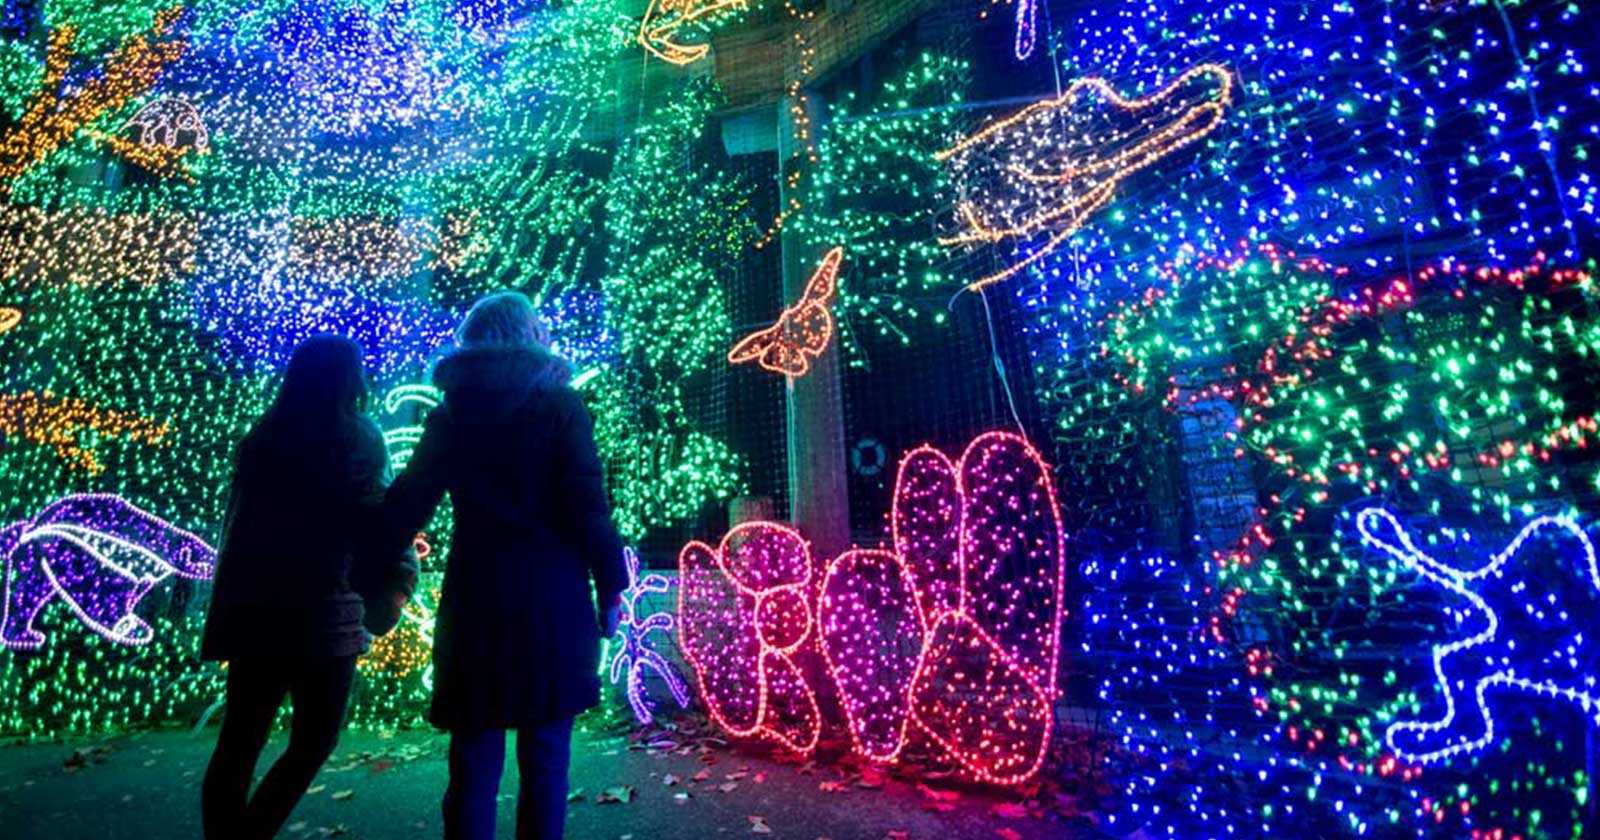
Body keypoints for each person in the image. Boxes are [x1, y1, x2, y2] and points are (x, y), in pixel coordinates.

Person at [385, 291, 626, 840]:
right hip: (553, 603)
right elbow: (589, 507)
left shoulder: (452, 415)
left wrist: (364, 564)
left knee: (472, 763)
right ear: (529, 335)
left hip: (476, 602)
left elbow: (410, 499)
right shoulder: (561, 407)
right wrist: (612, 586)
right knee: (545, 763)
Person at [200, 334, 405, 840]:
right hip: (325, 611)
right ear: (350, 379)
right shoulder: (359, 438)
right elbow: (376, 519)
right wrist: (395, 582)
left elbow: (240, 530)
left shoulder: (265, 438)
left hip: (256, 611)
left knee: (239, 740)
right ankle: (249, 834)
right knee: (314, 739)